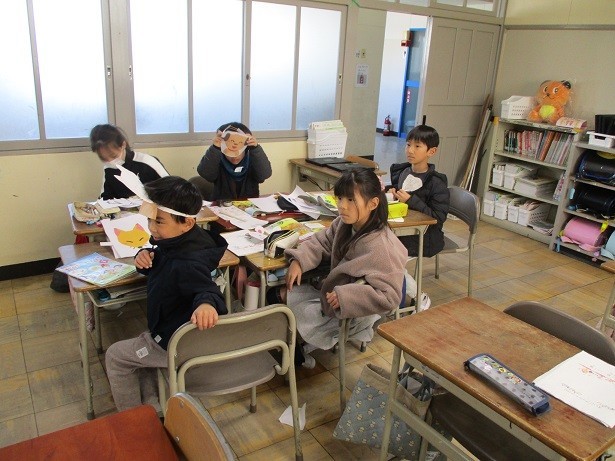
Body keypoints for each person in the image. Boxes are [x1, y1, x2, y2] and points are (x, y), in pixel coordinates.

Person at [105, 176, 228, 412]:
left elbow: (204, 288)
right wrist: (145, 257)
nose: (152, 228)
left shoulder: (187, 261)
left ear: (187, 223)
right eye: (150, 219)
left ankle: (134, 421)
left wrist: (206, 304)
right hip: (169, 329)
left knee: (116, 356)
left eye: (159, 221)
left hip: (173, 344)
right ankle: (154, 407)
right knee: (138, 357)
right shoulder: (181, 241)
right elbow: (165, 260)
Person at [280, 168, 408, 368]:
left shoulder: (382, 247)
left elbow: (390, 297)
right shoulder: (344, 223)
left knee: (284, 301)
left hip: (351, 311)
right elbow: (322, 241)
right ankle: (297, 348)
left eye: (350, 200)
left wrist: (346, 296)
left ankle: (297, 352)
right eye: (339, 198)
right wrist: (299, 260)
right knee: (281, 293)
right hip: (331, 295)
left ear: (373, 203)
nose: (342, 206)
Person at [388, 124, 450, 258]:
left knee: (382, 247)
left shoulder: (436, 183)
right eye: (408, 145)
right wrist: (391, 193)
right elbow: (397, 194)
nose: (410, 150)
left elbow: (438, 218)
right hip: (401, 229)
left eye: (417, 146)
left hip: (424, 239)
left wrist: (410, 200)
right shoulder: (402, 171)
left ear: (431, 151)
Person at [90, 124, 169, 200]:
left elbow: (172, 192)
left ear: (123, 145)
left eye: (113, 156)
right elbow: (105, 198)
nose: (110, 161)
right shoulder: (108, 169)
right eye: (104, 159)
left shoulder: (147, 162)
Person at [197, 122, 272, 201]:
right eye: (230, 141)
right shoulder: (217, 159)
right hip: (222, 205)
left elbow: (264, 175)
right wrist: (215, 148)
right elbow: (206, 174)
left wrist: (255, 148)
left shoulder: (253, 159)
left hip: (249, 205)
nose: (235, 145)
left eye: (240, 141)